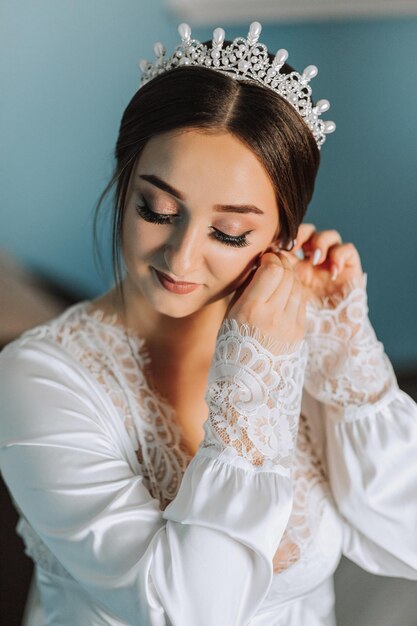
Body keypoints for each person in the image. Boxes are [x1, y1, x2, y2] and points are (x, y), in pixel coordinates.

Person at [0, 21, 416, 626]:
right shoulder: (35, 380)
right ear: (123, 183)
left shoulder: (303, 343)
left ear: (281, 237)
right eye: (157, 209)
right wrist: (254, 383)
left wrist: (348, 356)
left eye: (229, 232)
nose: (181, 255)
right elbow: (186, 611)